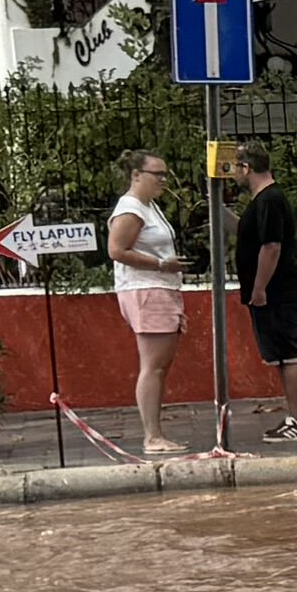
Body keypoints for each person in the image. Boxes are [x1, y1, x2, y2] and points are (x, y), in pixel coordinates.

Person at [107, 151, 191, 456]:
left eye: (165, 175)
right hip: (147, 289)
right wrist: (160, 264)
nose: (163, 181)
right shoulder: (131, 209)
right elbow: (117, 250)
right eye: (158, 174)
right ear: (137, 175)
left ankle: (155, 434)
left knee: (159, 365)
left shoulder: (148, 207)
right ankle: (153, 436)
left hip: (158, 288)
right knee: (153, 366)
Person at [228, 145, 297, 420]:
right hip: (271, 290)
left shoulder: (270, 199)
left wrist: (259, 287)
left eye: (235, 168)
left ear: (246, 168)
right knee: (280, 356)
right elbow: (247, 232)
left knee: (287, 355)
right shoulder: (261, 201)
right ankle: (295, 419)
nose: (233, 175)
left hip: (277, 290)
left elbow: (271, 246)